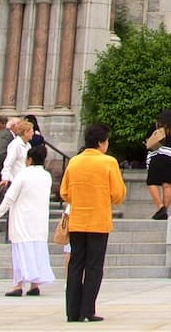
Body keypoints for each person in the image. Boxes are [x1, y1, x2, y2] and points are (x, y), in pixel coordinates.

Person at [61, 123, 125, 323]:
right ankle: (87, 309)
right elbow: (118, 194)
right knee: (94, 267)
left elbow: (64, 192)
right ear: (101, 142)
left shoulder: (74, 162)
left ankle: (72, 311)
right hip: (98, 221)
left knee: (75, 265)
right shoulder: (108, 162)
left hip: (78, 221)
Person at [0, 146, 56, 296]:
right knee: (36, 251)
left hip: (23, 219)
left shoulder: (23, 175)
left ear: (29, 160)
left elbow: (9, 198)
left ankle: (18, 285)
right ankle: (34, 284)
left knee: (21, 251)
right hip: (39, 220)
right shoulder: (46, 176)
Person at [144, 109, 171, 220]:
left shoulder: (155, 126)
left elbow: (147, 141)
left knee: (151, 182)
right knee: (167, 185)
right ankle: (164, 210)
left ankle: (160, 207)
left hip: (157, 157)